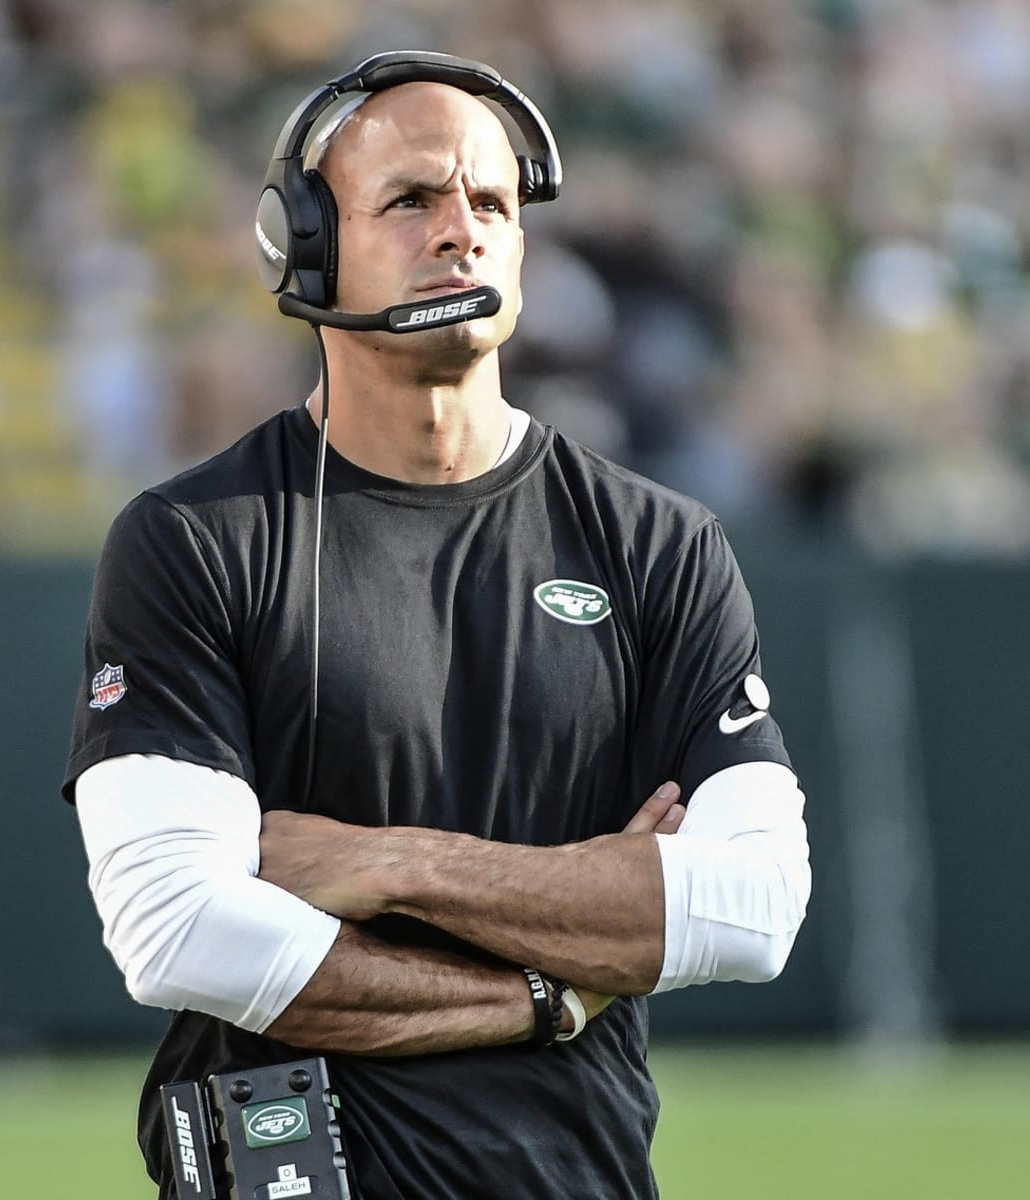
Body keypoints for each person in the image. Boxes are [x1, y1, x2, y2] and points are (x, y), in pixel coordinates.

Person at [65, 51, 812, 1200]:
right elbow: (176, 929)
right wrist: (550, 984)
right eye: (411, 199)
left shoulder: (661, 543)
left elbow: (754, 912)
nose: (460, 230)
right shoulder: (192, 539)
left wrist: (385, 862)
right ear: (304, 243)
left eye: (492, 203)